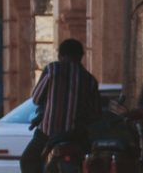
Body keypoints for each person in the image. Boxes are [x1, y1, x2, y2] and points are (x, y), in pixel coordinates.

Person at [20, 39, 100, 173]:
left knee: (28, 160)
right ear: (81, 56)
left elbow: (36, 98)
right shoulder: (89, 79)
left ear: (60, 55)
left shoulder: (52, 69)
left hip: (48, 133)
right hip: (76, 136)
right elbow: (96, 113)